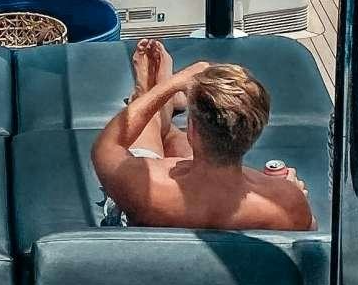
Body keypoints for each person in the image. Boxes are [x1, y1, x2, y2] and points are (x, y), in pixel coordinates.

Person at [90, 39, 313, 230]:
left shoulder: (145, 187)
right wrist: (290, 192)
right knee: (179, 146)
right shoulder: (287, 205)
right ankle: (166, 111)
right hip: (217, 239)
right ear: (254, 131)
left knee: (150, 127)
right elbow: (309, 229)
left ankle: (148, 94)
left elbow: (108, 146)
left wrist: (171, 84)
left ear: (193, 130)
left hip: (155, 220)